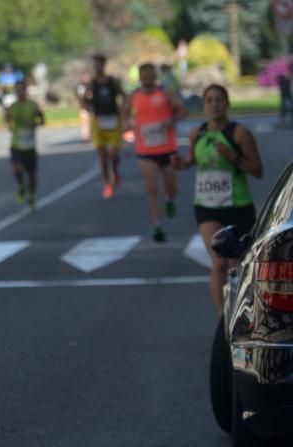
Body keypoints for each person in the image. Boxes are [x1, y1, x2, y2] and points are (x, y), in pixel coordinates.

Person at [173, 84, 263, 315]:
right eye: (209, 100)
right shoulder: (198, 133)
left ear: (227, 104)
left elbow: (257, 170)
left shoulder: (239, 133)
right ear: (204, 105)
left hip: (238, 206)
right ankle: (222, 320)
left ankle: (241, 313)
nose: (214, 104)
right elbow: (192, 160)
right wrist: (180, 164)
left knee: (238, 265)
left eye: (219, 100)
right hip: (207, 206)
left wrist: (234, 158)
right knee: (218, 262)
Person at [123, 62, 188, 243]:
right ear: (140, 78)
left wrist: (172, 119)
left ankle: (170, 199)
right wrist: (128, 124)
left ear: (155, 77)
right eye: (144, 77)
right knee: (152, 187)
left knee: (171, 187)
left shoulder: (165, 92)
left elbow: (183, 110)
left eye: (150, 76)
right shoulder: (134, 95)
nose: (148, 80)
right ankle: (157, 225)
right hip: (145, 149)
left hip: (167, 148)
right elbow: (124, 114)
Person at [85, 54, 126, 199]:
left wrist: (123, 112)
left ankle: (114, 168)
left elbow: (124, 96)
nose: (96, 67)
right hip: (98, 121)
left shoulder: (113, 81)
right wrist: (89, 109)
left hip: (113, 120)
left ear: (104, 65)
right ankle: (107, 184)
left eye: (99, 64)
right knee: (102, 155)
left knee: (114, 152)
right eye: (94, 64)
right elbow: (84, 100)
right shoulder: (91, 83)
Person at [5, 80, 45, 208]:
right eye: (18, 90)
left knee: (32, 175)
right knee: (17, 168)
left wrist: (34, 123)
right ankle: (22, 186)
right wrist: (10, 125)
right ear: (16, 92)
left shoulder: (33, 105)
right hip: (17, 144)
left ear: (26, 91)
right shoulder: (13, 107)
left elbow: (42, 120)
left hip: (30, 145)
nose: (20, 93)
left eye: (22, 90)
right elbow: (7, 121)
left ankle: (32, 197)